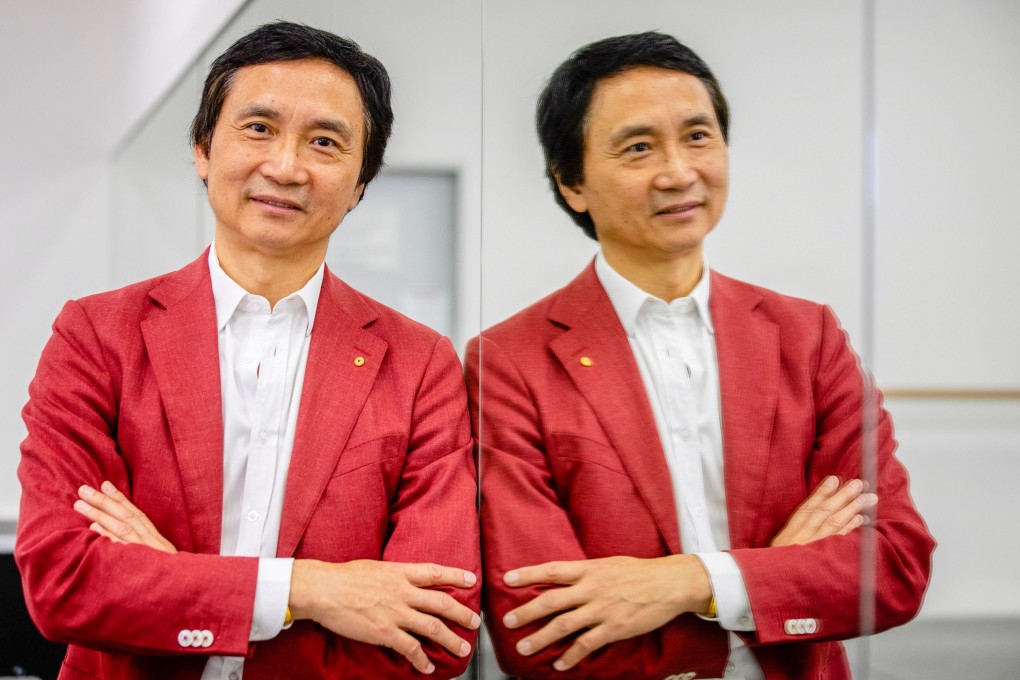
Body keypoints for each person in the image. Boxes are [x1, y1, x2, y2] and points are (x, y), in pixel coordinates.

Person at [17, 21, 479, 680]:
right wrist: (311, 590)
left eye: (324, 142)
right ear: (203, 148)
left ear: (360, 185)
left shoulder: (421, 365)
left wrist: (174, 582)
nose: (285, 166)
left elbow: (437, 629)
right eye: (258, 128)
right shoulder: (97, 335)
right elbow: (64, 584)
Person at [467, 31, 934, 679]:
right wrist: (773, 577)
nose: (680, 172)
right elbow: (537, 631)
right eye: (638, 147)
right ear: (572, 183)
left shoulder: (808, 337)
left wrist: (685, 582)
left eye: (697, 136)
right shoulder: (509, 362)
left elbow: (894, 568)